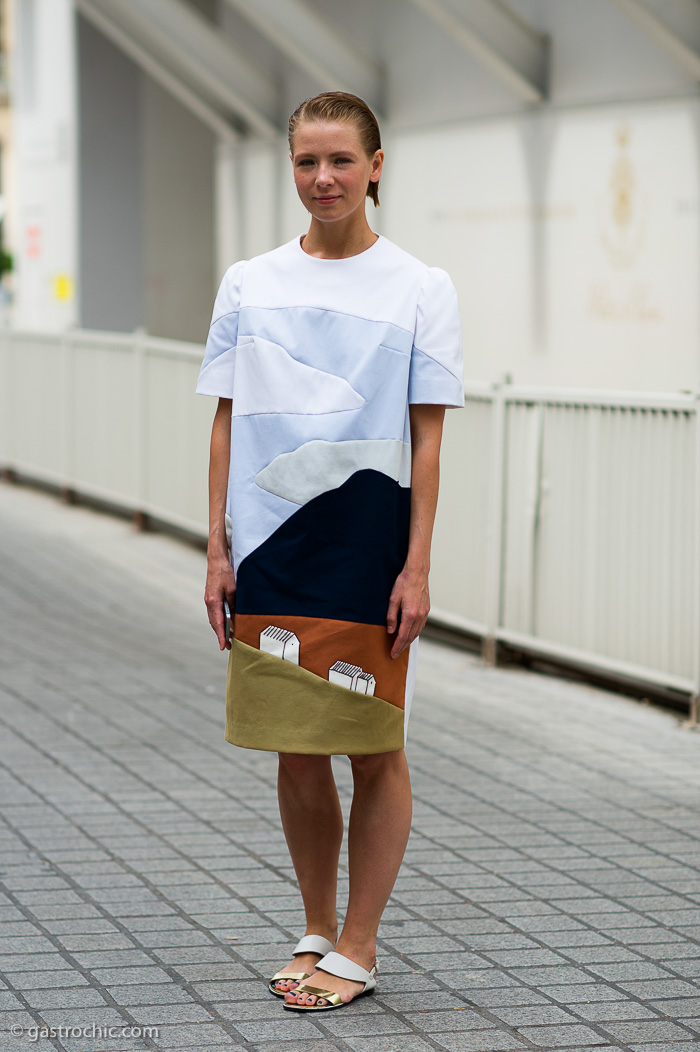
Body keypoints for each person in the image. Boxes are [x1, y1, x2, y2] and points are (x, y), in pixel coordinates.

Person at [197, 91, 463, 1013]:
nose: (323, 180)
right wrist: (216, 549)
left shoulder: (421, 287)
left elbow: (428, 442)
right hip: (270, 545)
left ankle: (361, 942)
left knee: (373, 746)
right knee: (296, 746)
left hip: (368, 544)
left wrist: (417, 565)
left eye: (341, 161)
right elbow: (227, 424)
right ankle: (316, 925)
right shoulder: (248, 281)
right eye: (307, 162)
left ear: (376, 167)